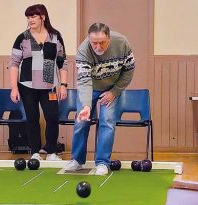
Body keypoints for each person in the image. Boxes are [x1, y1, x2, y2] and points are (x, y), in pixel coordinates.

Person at [64, 23, 135, 175]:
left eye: (102, 42)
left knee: (107, 122)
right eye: (94, 43)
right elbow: (83, 81)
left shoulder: (122, 43)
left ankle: (102, 163)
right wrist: (86, 106)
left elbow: (129, 70)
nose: (97, 47)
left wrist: (115, 92)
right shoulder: (83, 51)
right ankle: (76, 160)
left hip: (111, 88)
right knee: (82, 121)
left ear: (109, 38)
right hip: (90, 87)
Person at [9, 4, 68, 161]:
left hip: (49, 85)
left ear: (43, 17)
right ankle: (35, 151)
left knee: (52, 117)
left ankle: (51, 152)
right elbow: (14, 63)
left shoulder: (55, 36)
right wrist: (14, 88)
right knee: (32, 117)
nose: (30, 20)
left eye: (33, 16)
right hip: (27, 85)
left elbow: (62, 63)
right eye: (28, 17)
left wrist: (63, 85)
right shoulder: (23, 37)